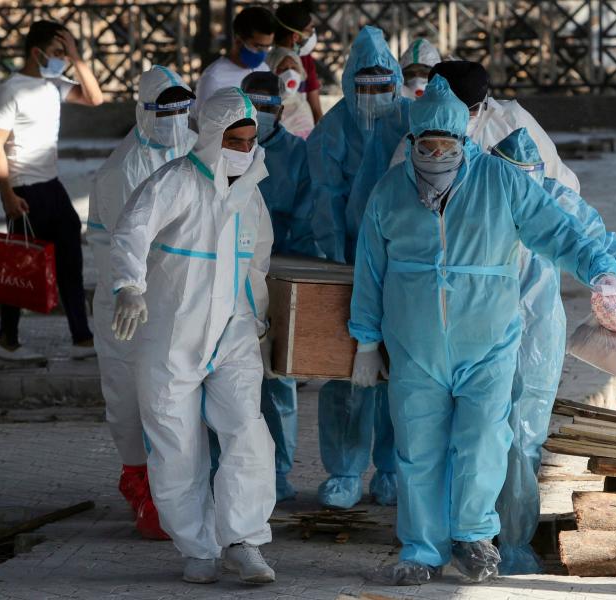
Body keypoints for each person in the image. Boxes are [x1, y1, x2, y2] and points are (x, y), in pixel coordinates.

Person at [348, 75, 616, 585]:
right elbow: (370, 269)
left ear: (464, 141)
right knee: (419, 449)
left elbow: (559, 230)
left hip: (488, 344)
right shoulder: (389, 192)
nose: (436, 155)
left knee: (482, 440)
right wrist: (366, 339)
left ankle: (474, 537)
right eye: (426, 145)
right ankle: (420, 548)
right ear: (410, 143)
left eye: (447, 144)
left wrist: (601, 271)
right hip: (415, 348)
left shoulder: (502, 183)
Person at [489, 128, 616, 575]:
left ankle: (512, 538)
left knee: (523, 435)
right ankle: (461, 534)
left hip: (535, 328)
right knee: (474, 430)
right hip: (479, 323)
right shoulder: (479, 193)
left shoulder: (553, 198)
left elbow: (600, 243)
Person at [110, 87, 276, 585]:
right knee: (175, 443)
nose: (244, 150)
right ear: (209, 136)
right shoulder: (175, 182)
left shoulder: (250, 192)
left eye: (250, 140)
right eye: (234, 139)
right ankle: (197, 547)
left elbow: (258, 259)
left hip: (234, 334)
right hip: (172, 331)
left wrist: (261, 318)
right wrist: (127, 287)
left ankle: (244, 541)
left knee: (247, 432)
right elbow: (131, 232)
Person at [86, 65, 197, 541]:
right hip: (127, 304)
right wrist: (130, 288)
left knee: (175, 400)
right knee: (130, 399)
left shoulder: (194, 147)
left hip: (180, 299)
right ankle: (139, 483)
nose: (174, 118)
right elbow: (124, 246)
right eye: (163, 109)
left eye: (181, 108)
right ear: (142, 112)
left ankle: (178, 488)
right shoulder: (122, 169)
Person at [306, 25, 410, 509]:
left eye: (382, 85)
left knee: (400, 372)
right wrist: (332, 261)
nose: (373, 96)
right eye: (363, 85)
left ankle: (391, 468)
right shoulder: (332, 128)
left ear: (396, 83)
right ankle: (345, 472)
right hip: (348, 263)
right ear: (348, 84)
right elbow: (323, 200)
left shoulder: (409, 120)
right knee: (345, 370)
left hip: (403, 267)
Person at [0, 20, 103, 361]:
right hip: (24, 189)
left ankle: (81, 338)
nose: (62, 60)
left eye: (64, 53)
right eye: (57, 53)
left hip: (53, 186)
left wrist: (78, 58)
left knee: (71, 261)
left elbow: (95, 98)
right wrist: (7, 193)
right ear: (36, 53)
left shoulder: (55, 85)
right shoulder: (10, 91)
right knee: (19, 265)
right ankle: (7, 340)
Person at [241, 72, 317, 501]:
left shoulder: (295, 155)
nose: (262, 117)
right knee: (225, 382)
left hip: (275, 275)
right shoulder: (222, 151)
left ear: (280, 110)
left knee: (277, 378)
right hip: (226, 279)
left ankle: (279, 473)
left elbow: (306, 217)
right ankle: (226, 472)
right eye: (254, 108)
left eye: (268, 108)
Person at [392, 60, 581, 193]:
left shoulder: (511, 121)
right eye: (451, 113)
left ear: (485, 103)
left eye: (470, 111)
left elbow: (560, 182)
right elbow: (393, 199)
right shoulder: (417, 136)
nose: (462, 121)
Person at [194, 6, 274, 110]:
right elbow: (201, 122)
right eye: (258, 46)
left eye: (267, 47)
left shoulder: (264, 69)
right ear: (238, 41)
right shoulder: (213, 78)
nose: (263, 53)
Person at [273, 1, 323, 123]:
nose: (312, 35)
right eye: (310, 30)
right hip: (292, 129)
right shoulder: (290, 60)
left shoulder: (272, 56)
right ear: (295, 36)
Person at [265, 46, 314, 138]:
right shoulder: (264, 106)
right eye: (283, 69)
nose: (290, 74)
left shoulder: (302, 102)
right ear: (271, 72)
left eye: (294, 68)